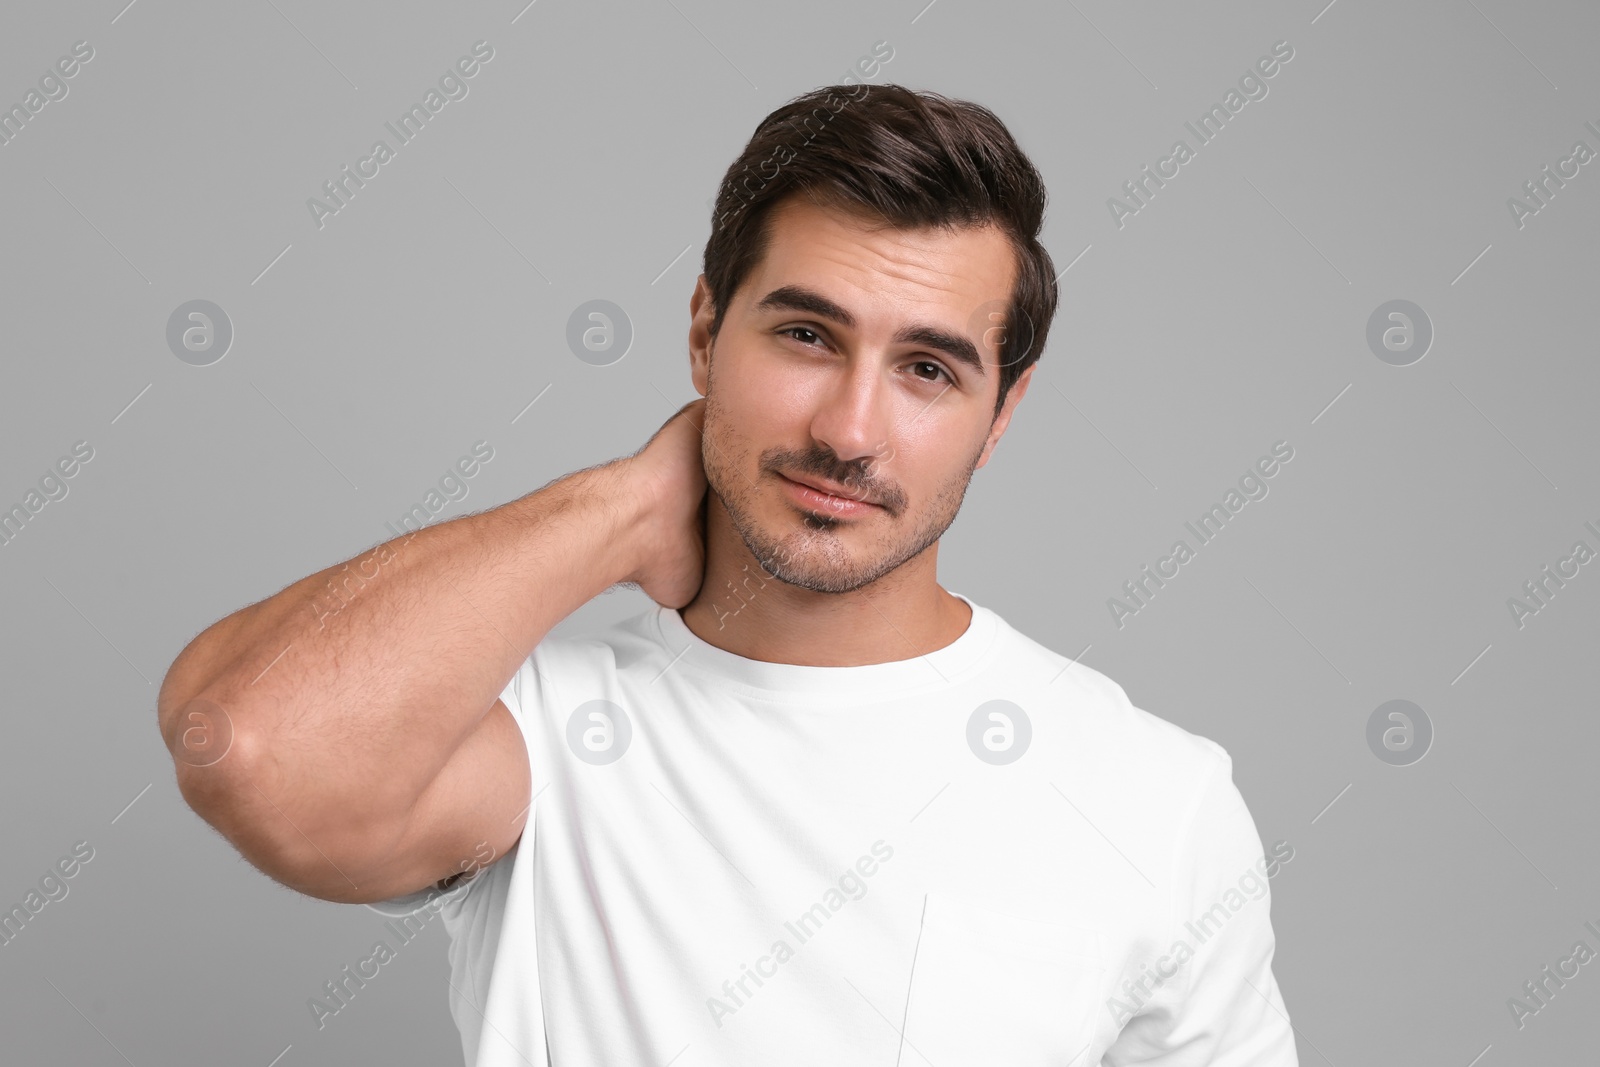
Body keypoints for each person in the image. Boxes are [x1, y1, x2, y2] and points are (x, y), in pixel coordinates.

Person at [158, 83, 1297, 1066]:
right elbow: (248, 745)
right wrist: (618, 507)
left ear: (1002, 413)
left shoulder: (1152, 798)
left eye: (928, 369)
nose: (850, 429)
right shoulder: (533, 725)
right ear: (704, 331)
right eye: (806, 335)